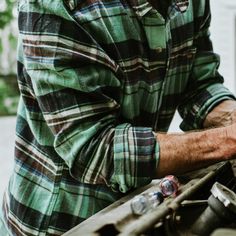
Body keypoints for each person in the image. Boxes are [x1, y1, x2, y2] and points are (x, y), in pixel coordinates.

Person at [1, 0, 236, 235]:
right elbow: (96, 148)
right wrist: (226, 140)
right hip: (59, 222)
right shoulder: (54, 6)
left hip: (138, 206)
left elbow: (199, 85)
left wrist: (232, 119)